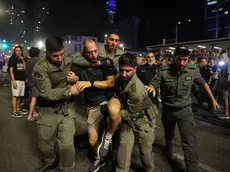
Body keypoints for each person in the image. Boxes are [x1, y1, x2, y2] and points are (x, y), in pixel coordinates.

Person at [147, 46, 219, 172]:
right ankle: (168, 148)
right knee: (169, 136)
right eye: (179, 59)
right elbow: (155, 82)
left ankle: (192, 168)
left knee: (189, 141)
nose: (182, 63)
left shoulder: (192, 70)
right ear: (174, 58)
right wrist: (152, 87)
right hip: (168, 110)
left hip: (185, 111)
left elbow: (203, 84)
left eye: (185, 60)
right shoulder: (164, 71)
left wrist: (212, 99)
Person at [68, 39, 121, 172]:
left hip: (108, 99)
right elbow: (73, 81)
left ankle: (109, 147)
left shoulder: (105, 62)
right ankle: (101, 158)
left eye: (95, 51)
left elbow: (110, 83)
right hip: (92, 105)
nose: (93, 55)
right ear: (84, 53)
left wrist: (89, 83)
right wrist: (74, 83)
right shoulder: (78, 65)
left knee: (115, 115)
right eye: (90, 52)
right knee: (92, 141)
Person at [33, 36, 79, 172]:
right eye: (55, 56)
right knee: (45, 144)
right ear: (47, 53)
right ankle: (50, 161)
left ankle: (67, 169)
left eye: (61, 54)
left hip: (67, 108)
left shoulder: (70, 60)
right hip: (48, 109)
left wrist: (77, 79)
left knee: (67, 145)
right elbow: (46, 93)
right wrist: (69, 90)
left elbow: (85, 70)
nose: (59, 59)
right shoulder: (40, 67)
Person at [116, 53, 156, 172]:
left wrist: (113, 110)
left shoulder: (137, 90)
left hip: (142, 120)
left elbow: (130, 114)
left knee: (146, 154)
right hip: (128, 120)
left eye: (127, 71)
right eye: (121, 70)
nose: (123, 74)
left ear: (135, 69)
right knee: (122, 154)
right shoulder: (121, 78)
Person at [8, 45, 27, 118]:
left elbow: (24, 69)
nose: (18, 52)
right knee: (15, 96)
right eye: (17, 50)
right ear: (14, 51)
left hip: (22, 80)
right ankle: (14, 111)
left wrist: (23, 61)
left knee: (19, 96)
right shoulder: (12, 59)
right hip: (16, 80)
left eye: (20, 50)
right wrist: (13, 81)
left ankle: (18, 109)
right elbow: (11, 71)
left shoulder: (21, 59)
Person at [25, 47, 40, 121]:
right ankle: (30, 116)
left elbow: (26, 72)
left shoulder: (27, 61)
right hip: (34, 83)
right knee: (34, 99)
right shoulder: (37, 61)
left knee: (32, 99)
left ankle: (34, 113)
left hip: (29, 82)